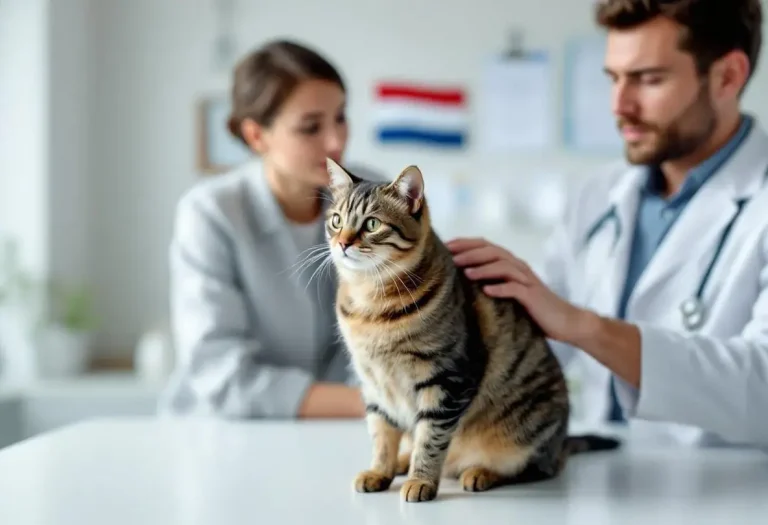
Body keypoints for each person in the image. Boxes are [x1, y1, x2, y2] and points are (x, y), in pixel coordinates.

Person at [449, 0, 768, 448]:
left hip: (729, 496)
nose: (620, 105)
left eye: (649, 79)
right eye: (613, 78)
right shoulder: (597, 195)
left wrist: (585, 326)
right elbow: (537, 344)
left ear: (727, 76)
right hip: (600, 476)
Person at [158, 39, 383, 419]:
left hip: (339, 431)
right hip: (222, 431)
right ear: (256, 136)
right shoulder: (211, 214)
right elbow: (222, 376)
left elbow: (387, 332)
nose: (336, 140)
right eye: (311, 127)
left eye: (341, 117)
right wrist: (381, 404)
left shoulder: (371, 193)